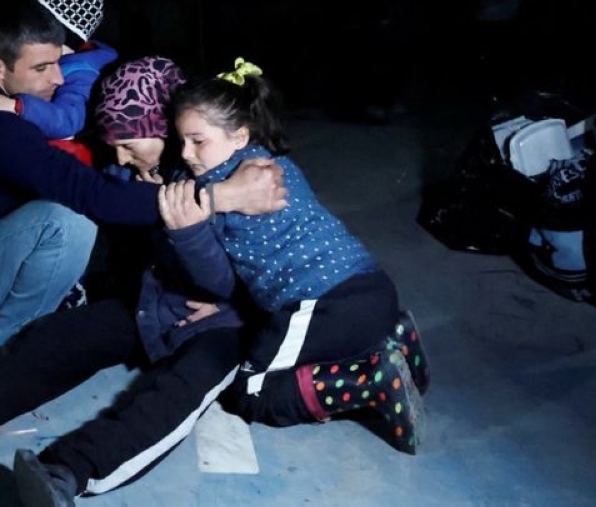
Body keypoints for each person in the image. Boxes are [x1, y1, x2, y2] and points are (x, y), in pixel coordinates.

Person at [0, 56, 260, 506]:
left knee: (175, 394)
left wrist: (235, 305)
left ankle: (66, 473)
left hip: (223, 326)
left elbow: (288, 269)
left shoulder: (245, 174)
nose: (120, 156)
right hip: (155, 303)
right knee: (59, 338)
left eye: (126, 142)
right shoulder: (137, 173)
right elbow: (123, 251)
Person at [0, 1, 287, 357]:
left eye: (59, 62)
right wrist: (222, 195)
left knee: (87, 212)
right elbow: (89, 194)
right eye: (40, 69)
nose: (57, 78)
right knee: (69, 223)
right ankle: (2, 342)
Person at [158, 58, 430, 454]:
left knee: (251, 394)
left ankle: (369, 380)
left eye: (198, 141)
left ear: (238, 136)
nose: (185, 153)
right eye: (180, 140)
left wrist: (187, 220)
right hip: (374, 290)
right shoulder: (273, 164)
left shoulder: (215, 190)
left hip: (324, 307)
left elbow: (211, 274)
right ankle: (393, 338)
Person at [0, 0, 117, 166]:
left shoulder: (82, 73)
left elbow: (67, 122)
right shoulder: (75, 61)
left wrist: (18, 106)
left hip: (71, 157)